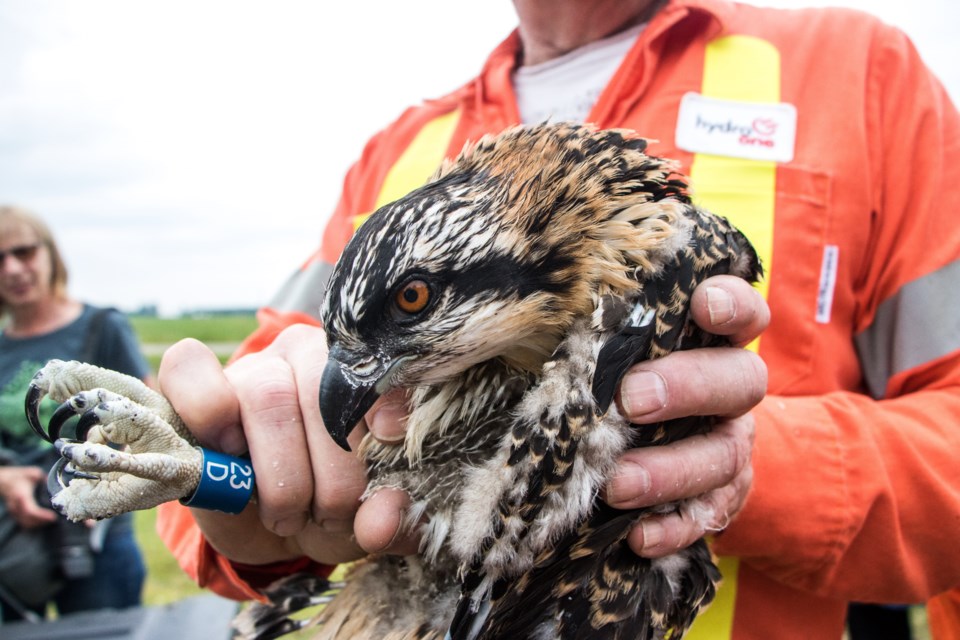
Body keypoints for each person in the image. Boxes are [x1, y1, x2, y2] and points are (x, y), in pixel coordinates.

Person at [154, 0, 960, 638]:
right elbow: (239, 436)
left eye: (413, 303)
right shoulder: (400, 148)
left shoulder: (859, 75)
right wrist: (234, 491)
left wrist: (733, 462)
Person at [0, 205, 149, 621]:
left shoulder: (101, 328)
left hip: (95, 532)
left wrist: (106, 477)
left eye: (24, 252)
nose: (12, 269)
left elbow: (151, 417)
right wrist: (6, 479)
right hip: (15, 535)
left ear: (49, 254)